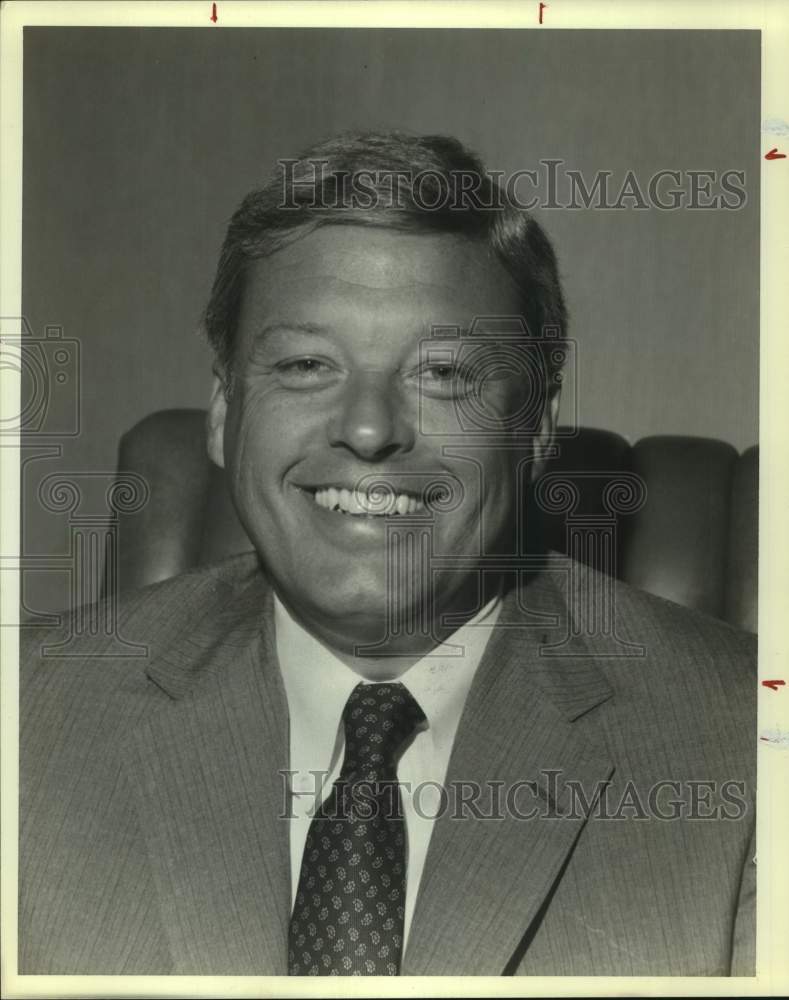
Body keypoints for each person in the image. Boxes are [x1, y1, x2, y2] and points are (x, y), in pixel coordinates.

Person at [19, 130, 755, 977]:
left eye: (442, 373)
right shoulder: (27, 723)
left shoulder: (747, 748)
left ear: (537, 428)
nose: (368, 430)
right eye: (304, 364)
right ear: (224, 411)